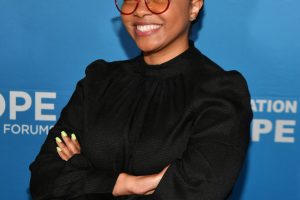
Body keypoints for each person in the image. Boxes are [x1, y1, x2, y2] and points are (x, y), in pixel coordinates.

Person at [29, 0, 253, 199]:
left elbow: (200, 191)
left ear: (193, 6)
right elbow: (44, 177)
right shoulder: (98, 80)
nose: (140, 9)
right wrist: (125, 185)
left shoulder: (220, 90)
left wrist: (83, 171)